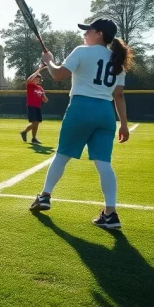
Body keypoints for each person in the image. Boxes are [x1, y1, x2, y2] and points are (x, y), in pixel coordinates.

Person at [30, 18, 132, 230]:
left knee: (63, 154)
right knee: (104, 163)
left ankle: (45, 196)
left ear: (100, 34)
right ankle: (110, 214)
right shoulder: (117, 60)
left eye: (89, 31)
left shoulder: (82, 51)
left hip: (81, 108)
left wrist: (48, 61)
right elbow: (119, 96)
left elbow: (58, 75)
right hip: (106, 113)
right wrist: (124, 124)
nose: (85, 34)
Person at [20, 66, 49, 144]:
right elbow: (29, 79)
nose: (37, 80)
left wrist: (43, 95)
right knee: (34, 122)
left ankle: (24, 132)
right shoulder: (30, 85)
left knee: (36, 123)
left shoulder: (40, 88)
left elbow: (45, 100)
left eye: (38, 79)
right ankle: (33, 139)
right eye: (36, 78)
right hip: (31, 106)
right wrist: (39, 69)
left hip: (38, 107)